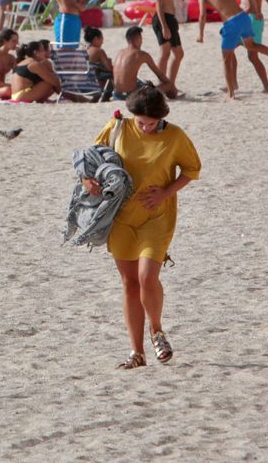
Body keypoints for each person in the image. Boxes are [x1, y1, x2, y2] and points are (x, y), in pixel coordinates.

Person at [82, 85, 201, 368]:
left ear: (162, 117)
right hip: (121, 216)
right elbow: (91, 161)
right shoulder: (117, 127)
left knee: (147, 277)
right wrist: (88, 181)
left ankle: (156, 331)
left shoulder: (175, 136)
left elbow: (191, 170)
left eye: (152, 123)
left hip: (157, 216)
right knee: (129, 283)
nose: (146, 128)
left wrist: (166, 192)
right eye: (141, 123)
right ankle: (137, 352)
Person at [195, 0, 268, 99]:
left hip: (231, 23)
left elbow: (202, 15)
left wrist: (200, 34)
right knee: (252, 45)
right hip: (244, 18)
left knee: (226, 59)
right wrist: (256, 10)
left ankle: (231, 93)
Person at [111, 26, 179, 100]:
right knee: (169, 85)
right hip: (131, 96)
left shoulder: (120, 53)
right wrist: (170, 86)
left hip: (117, 94)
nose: (142, 41)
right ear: (138, 39)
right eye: (141, 38)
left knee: (141, 82)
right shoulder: (141, 54)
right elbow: (160, 75)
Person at [150, 0, 186, 90]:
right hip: (162, 19)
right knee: (165, 53)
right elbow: (158, 4)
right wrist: (164, 25)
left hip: (170, 18)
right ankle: (162, 85)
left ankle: (169, 85)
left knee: (178, 54)